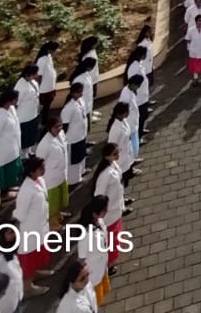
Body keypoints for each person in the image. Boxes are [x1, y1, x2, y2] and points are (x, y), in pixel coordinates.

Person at [12, 156, 53, 298]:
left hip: (40, 226)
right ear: (31, 172)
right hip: (30, 229)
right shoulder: (26, 190)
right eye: (40, 168)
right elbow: (20, 214)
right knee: (29, 258)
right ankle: (27, 287)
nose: (44, 169)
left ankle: (35, 273)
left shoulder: (40, 181)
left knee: (37, 254)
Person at [93, 142, 130, 274]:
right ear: (106, 156)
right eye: (115, 154)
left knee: (115, 236)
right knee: (110, 239)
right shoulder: (105, 175)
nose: (118, 155)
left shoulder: (113, 165)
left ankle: (111, 260)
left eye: (118, 152)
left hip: (116, 208)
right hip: (109, 213)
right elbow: (99, 195)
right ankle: (108, 264)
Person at [77, 195, 112, 307]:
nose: (106, 211)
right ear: (94, 214)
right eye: (104, 210)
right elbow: (81, 257)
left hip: (101, 265)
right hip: (93, 271)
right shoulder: (86, 235)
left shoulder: (100, 222)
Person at [37, 114, 69, 225]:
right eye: (56, 127)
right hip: (51, 178)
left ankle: (58, 214)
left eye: (60, 125)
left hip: (61, 173)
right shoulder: (44, 144)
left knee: (60, 198)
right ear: (50, 128)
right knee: (53, 201)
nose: (59, 128)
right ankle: (53, 223)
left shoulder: (61, 135)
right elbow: (40, 161)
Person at [0, 91, 22, 193]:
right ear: (9, 101)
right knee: (5, 170)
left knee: (11, 170)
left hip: (12, 146)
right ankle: (4, 192)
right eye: (16, 99)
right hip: (3, 149)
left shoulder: (11, 109)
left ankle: (9, 187)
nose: (17, 101)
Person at [60, 83, 89, 187]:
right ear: (72, 93)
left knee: (81, 156)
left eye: (81, 92)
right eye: (78, 92)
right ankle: (73, 180)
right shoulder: (68, 108)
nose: (81, 94)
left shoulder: (80, 101)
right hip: (73, 138)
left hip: (81, 135)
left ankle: (81, 172)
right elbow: (64, 126)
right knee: (74, 161)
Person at [14, 66, 42, 158]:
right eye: (34, 74)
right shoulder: (20, 86)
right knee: (25, 138)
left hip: (33, 114)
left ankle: (29, 152)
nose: (36, 75)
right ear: (27, 75)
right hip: (24, 117)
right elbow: (16, 103)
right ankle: (23, 156)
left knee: (31, 135)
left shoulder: (33, 82)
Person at [35, 42, 60, 117]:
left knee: (47, 107)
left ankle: (44, 120)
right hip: (44, 90)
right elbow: (39, 76)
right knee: (43, 108)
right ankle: (42, 121)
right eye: (54, 50)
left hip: (50, 88)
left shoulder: (49, 57)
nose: (55, 52)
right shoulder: (41, 60)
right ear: (49, 50)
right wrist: (37, 89)